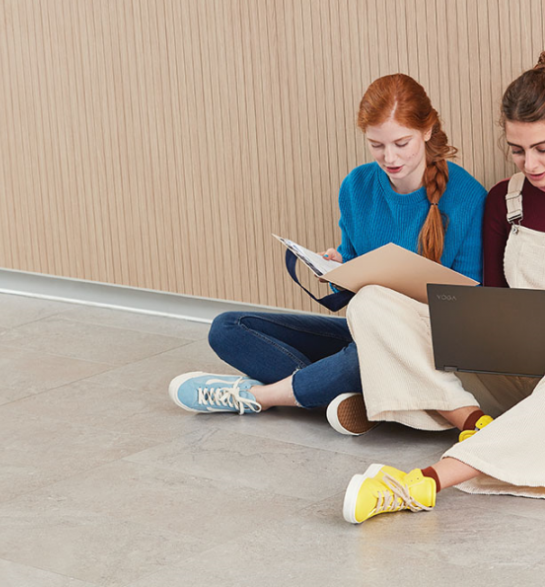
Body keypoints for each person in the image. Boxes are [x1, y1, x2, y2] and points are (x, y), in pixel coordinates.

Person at [341, 51, 545, 524]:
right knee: (374, 303)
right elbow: (493, 297)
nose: (530, 164)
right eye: (517, 150)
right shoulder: (505, 198)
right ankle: (471, 420)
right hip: (511, 362)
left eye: (543, 148)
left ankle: (423, 482)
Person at [167, 74, 487, 431]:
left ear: (427, 131)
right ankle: (352, 396)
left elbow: (470, 306)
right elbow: (348, 290)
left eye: (402, 143)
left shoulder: (468, 196)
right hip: (362, 329)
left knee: (361, 359)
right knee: (227, 328)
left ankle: (260, 397)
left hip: (423, 344)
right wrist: (338, 269)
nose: (390, 157)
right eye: (377, 145)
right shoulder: (357, 186)